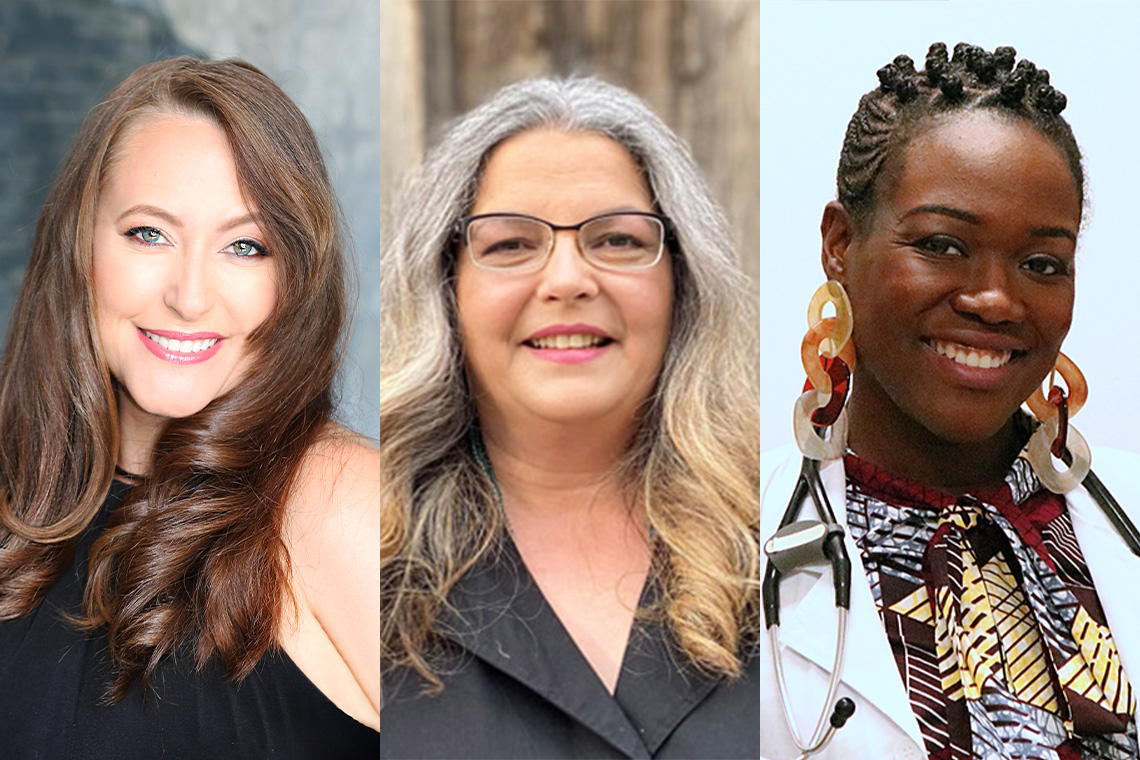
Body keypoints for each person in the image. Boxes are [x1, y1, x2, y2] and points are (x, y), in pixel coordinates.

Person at [760, 43, 1140, 759]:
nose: (996, 299)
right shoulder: (724, 555)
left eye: (1041, 264)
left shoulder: (1123, 519)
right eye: (942, 244)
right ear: (840, 243)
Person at [0, 57, 381, 757]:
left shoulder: (343, 506)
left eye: (245, 246)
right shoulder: (16, 496)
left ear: (293, 278)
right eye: (150, 233)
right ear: (79, 243)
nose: (190, 296)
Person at [377, 77, 761, 758]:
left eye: (616, 241)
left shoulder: (792, 548)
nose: (567, 280)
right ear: (446, 290)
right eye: (510, 245)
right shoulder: (357, 554)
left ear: (682, 280)